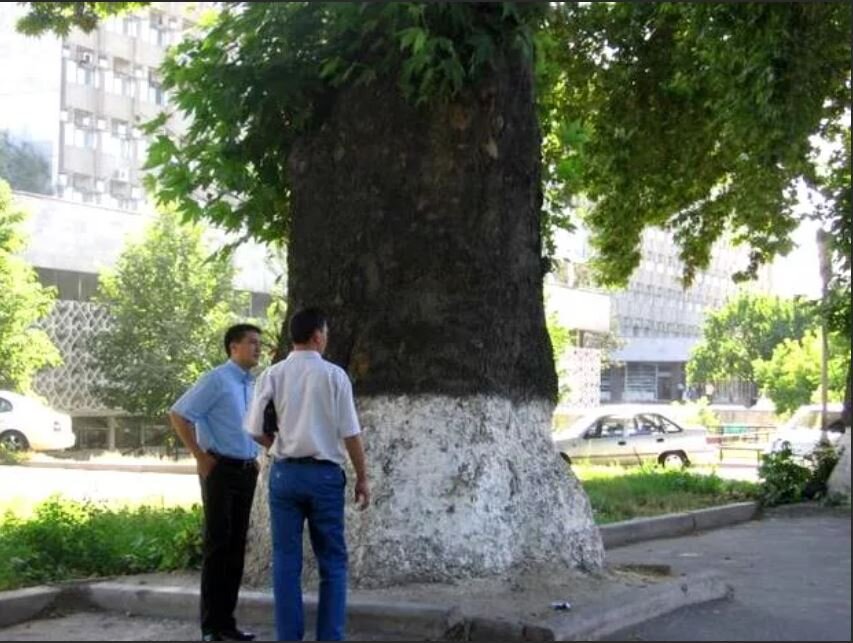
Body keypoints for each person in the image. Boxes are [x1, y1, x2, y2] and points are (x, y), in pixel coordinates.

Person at [245, 307, 369, 641]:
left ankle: (289, 637)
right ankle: (329, 636)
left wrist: (276, 446)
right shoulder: (334, 376)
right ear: (317, 335)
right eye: (325, 333)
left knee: (286, 561)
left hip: (284, 476)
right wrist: (362, 476)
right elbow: (350, 432)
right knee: (332, 561)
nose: (326, 339)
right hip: (325, 477)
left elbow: (255, 428)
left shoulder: (271, 375)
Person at [169, 324, 263, 642]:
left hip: (246, 470)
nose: (258, 348)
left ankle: (228, 623)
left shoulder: (251, 385)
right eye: (252, 343)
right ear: (233, 347)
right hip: (219, 469)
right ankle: (211, 627)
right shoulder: (216, 380)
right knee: (218, 546)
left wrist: (256, 454)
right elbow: (179, 414)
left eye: (259, 343)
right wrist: (199, 455)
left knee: (236, 547)